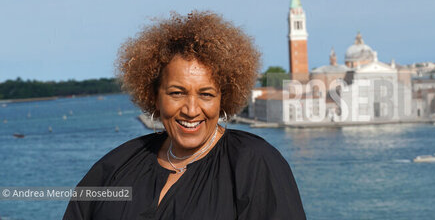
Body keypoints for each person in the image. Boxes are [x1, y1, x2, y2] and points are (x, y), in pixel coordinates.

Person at [63, 11, 306, 219]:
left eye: (206, 94)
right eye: (177, 93)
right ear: (154, 96)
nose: (191, 110)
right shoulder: (116, 166)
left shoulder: (254, 163)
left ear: (224, 98)